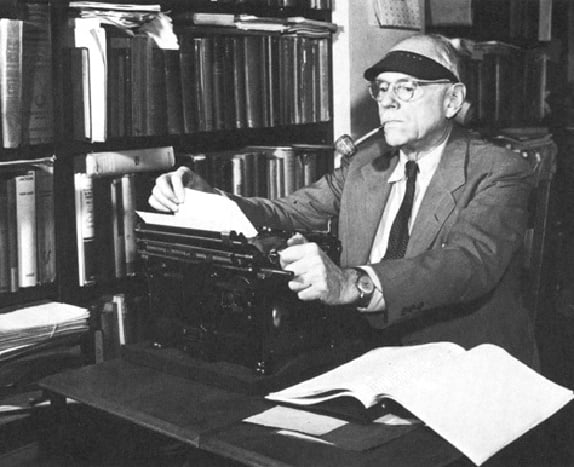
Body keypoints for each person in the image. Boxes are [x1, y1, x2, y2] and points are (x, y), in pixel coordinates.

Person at [149, 34, 538, 368]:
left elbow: (465, 264)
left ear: (452, 99)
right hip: (366, 357)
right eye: (382, 88)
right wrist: (209, 197)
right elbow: (289, 211)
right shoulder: (366, 164)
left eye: (407, 88)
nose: (388, 101)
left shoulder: (499, 169)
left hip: (461, 365)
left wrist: (353, 285)